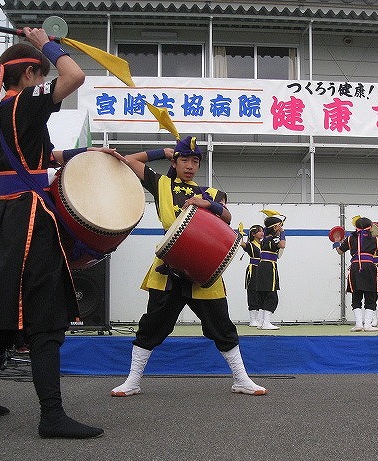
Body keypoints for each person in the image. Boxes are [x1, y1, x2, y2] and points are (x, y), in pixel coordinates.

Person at [0, 28, 111, 438]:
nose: (44, 79)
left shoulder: (3, 110)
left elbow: (46, 157)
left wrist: (89, 152)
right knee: (45, 319)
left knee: (1, 316)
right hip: (31, 221)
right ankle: (51, 417)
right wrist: (46, 42)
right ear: (30, 73)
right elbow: (74, 77)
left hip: (5, 221)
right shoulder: (25, 103)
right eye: (39, 71)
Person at [110, 136, 267, 397]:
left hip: (205, 267)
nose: (190, 165)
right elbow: (129, 161)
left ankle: (241, 379)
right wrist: (163, 150)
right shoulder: (161, 183)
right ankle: (133, 381)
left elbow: (227, 216)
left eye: (195, 160)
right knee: (152, 324)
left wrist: (206, 204)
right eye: (184, 159)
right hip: (168, 267)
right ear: (175, 161)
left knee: (221, 324)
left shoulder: (211, 192)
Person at [334, 217, 378, 332]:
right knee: (370, 296)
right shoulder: (375, 240)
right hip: (370, 268)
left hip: (355, 268)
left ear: (356, 227)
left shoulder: (350, 239)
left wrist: (336, 241)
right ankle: (367, 325)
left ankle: (358, 324)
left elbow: (340, 251)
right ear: (370, 227)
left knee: (356, 296)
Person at [254, 213, 286, 330]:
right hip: (269, 267)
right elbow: (282, 245)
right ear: (275, 227)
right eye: (279, 226)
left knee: (264, 293)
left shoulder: (265, 239)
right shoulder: (270, 238)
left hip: (263, 267)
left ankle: (263, 322)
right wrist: (283, 233)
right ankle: (266, 322)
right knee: (271, 295)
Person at [240, 224, 264, 327]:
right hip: (253, 269)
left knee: (261, 293)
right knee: (253, 292)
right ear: (253, 234)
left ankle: (259, 318)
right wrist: (240, 234)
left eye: (262, 230)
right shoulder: (250, 245)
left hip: (263, 270)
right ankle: (252, 319)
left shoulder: (264, 244)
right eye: (259, 231)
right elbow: (240, 244)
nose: (262, 232)